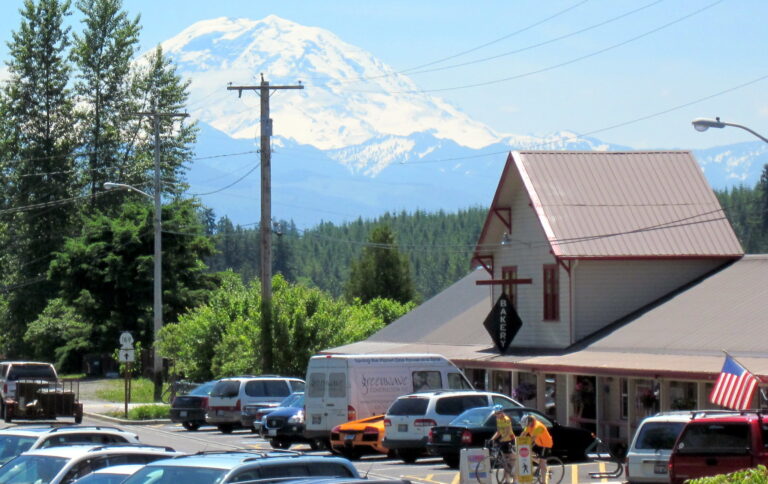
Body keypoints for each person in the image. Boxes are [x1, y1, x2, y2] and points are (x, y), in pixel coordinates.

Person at [520, 414, 554, 482]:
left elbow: (532, 438)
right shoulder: (529, 424)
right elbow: (523, 433)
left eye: (527, 425)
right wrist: (517, 442)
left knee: (542, 461)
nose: (526, 427)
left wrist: (523, 445)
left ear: (530, 422)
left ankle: (543, 481)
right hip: (538, 443)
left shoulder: (538, 426)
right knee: (529, 454)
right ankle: (545, 466)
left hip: (545, 444)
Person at [490, 405, 516, 483]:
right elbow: (498, 432)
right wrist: (492, 439)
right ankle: (507, 480)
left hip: (509, 440)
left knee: (512, 461)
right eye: (496, 414)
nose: (497, 415)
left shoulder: (506, 419)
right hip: (503, 440)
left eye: (498, 413)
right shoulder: (498, 419)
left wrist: (502, 439)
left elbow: (508, 432)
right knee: (504, 461)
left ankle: (515, 480)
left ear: (501, 412)